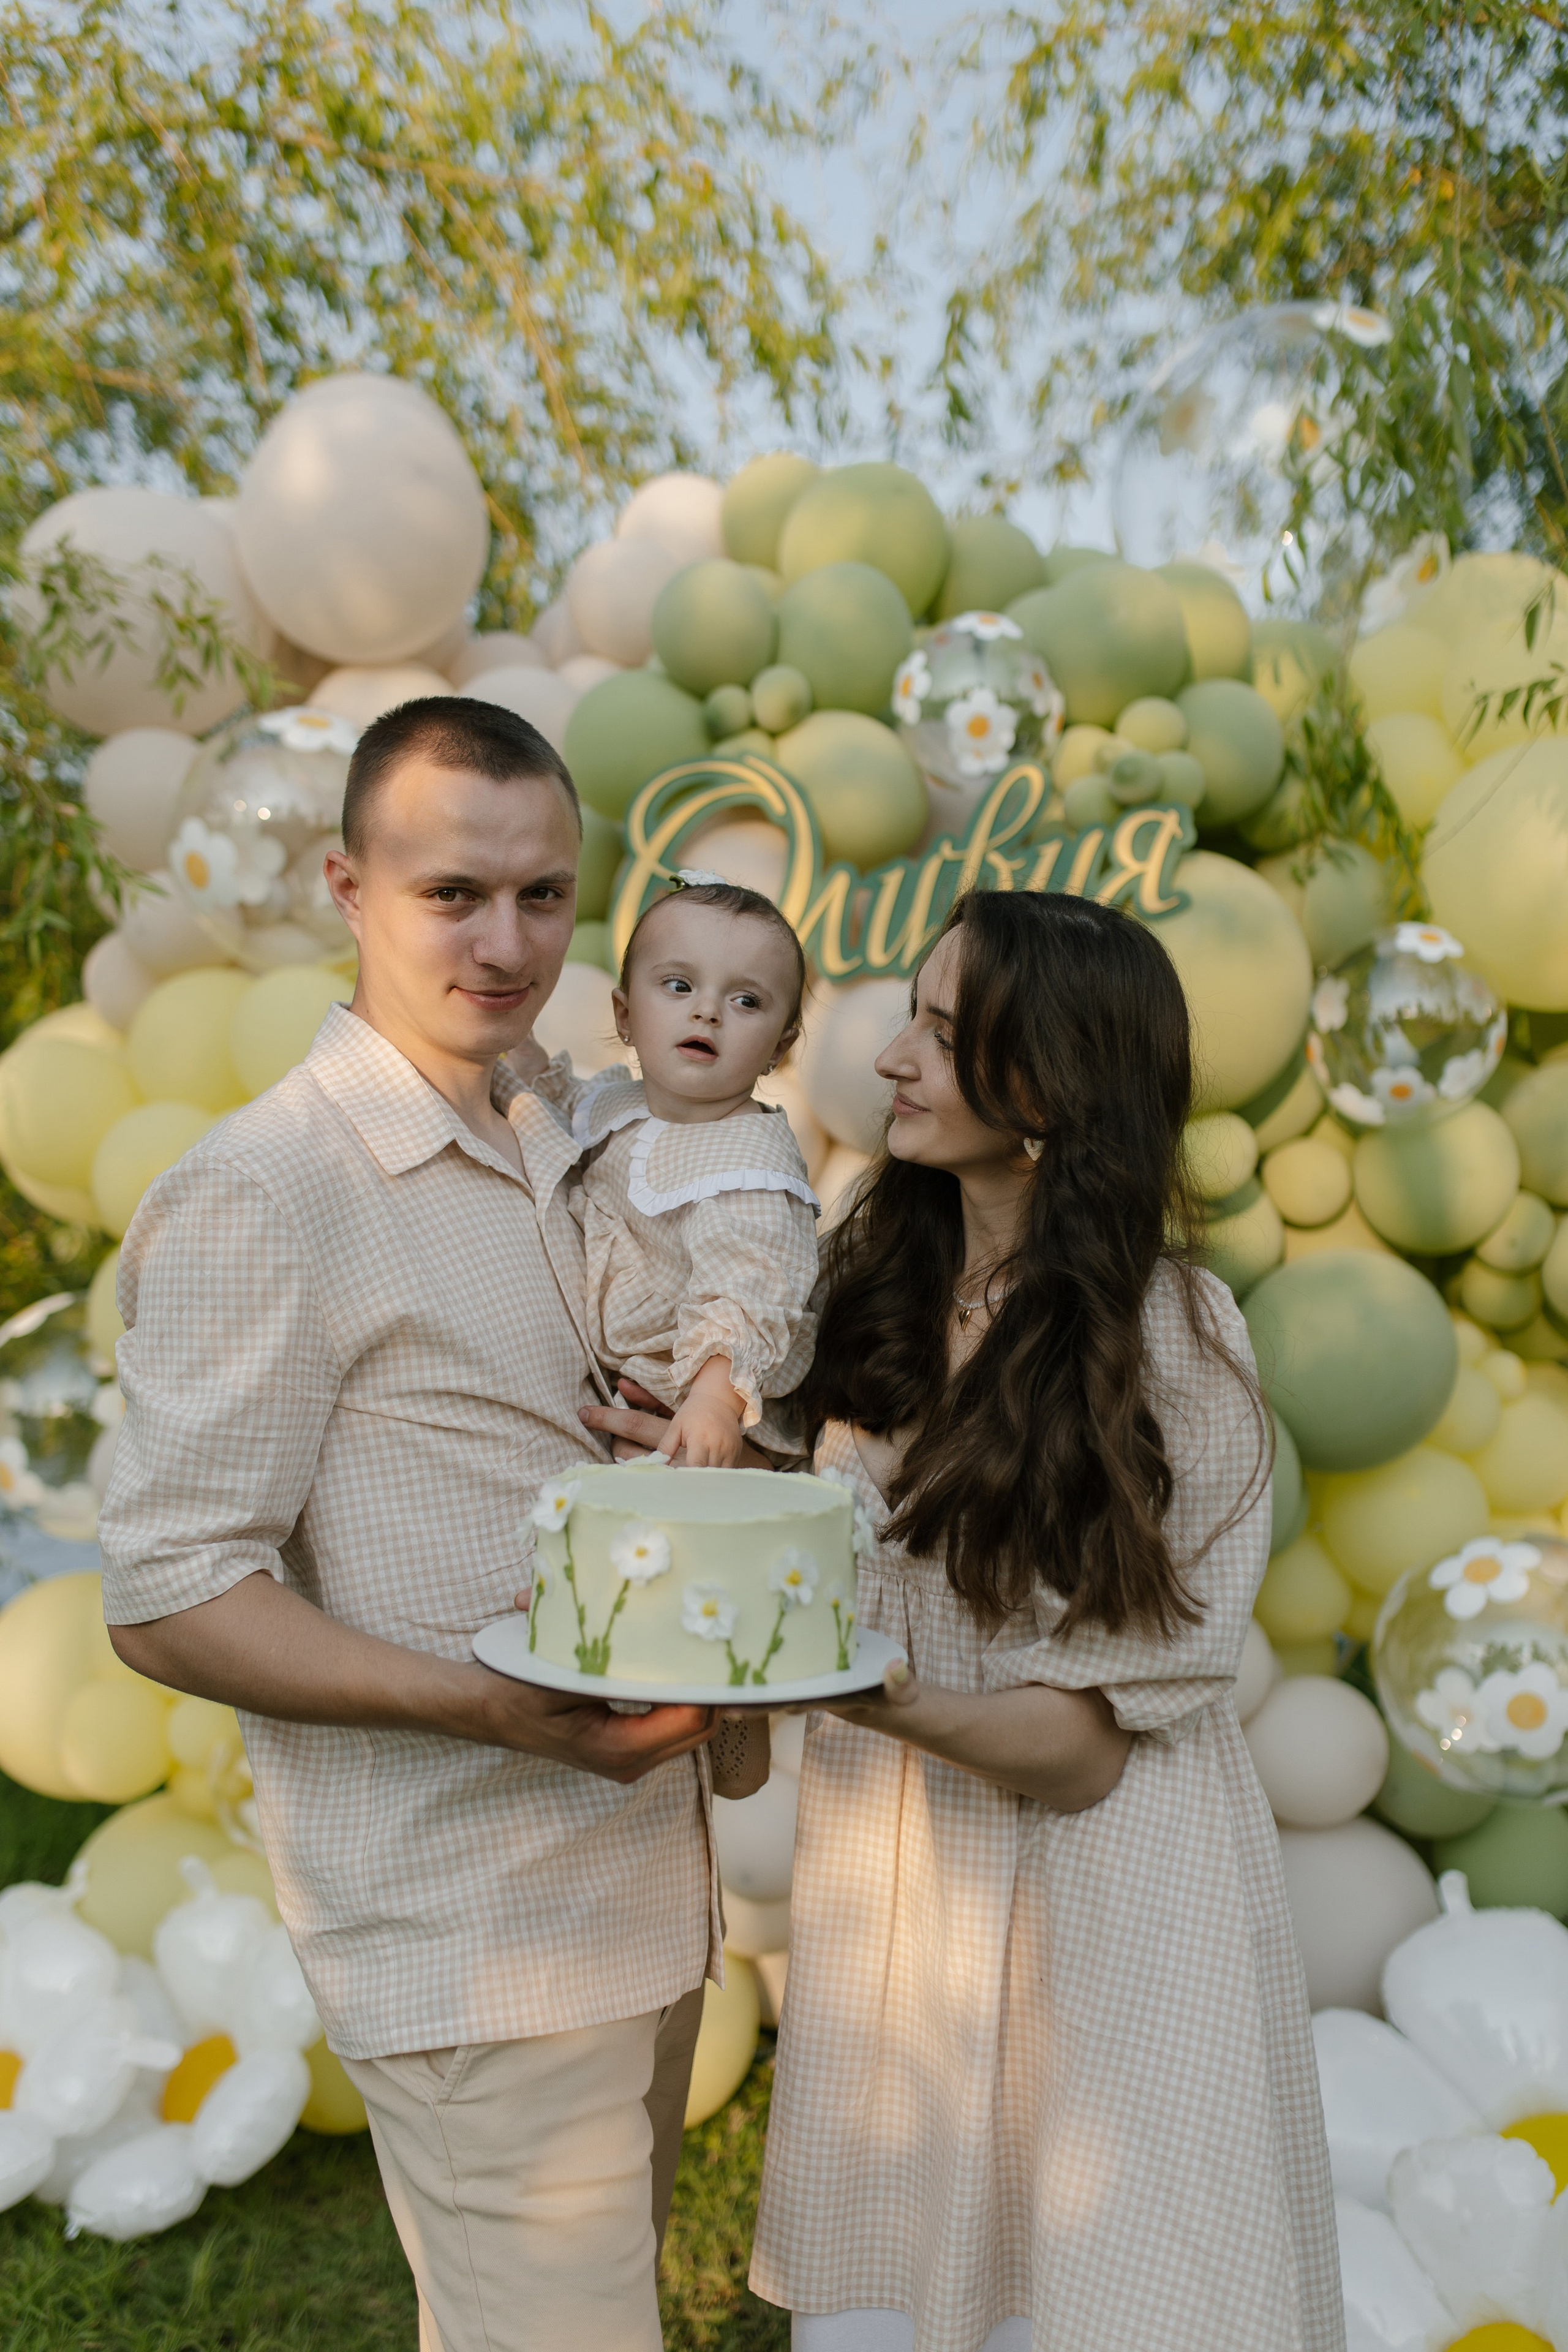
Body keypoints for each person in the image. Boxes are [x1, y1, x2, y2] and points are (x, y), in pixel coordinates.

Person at [99, 697, 723, 2352]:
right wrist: (488, 1701)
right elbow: (166, 1595)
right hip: (473, 1935)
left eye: (543, 895)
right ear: (345, 887)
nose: (507, 942)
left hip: (640, 1898)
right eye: (454, 893)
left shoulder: (553, 1134)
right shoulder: (269, 1189)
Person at [746, 889, 1345, 2352]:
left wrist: (874, 1693)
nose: (891, 1055)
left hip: (1097, 1888)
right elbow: (801, 1526)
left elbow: (1080, 1755)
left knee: (1090, 2288)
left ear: (1050, 1086)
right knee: (887, 2301)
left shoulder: (1173, 1344)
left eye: (945, 1033)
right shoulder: (873, 1271)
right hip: (903, 1870)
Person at [549, 868, 818, 1467]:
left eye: (745, 1000)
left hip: (696, 1404)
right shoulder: (616, 1104)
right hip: (620, 1382)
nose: (707, 1012)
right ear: (624, 1016)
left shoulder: (751, 1166)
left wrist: (716, 1402)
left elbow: (749, 1290)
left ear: (779, 1047)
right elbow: (550, 1104)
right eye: (678, 986)